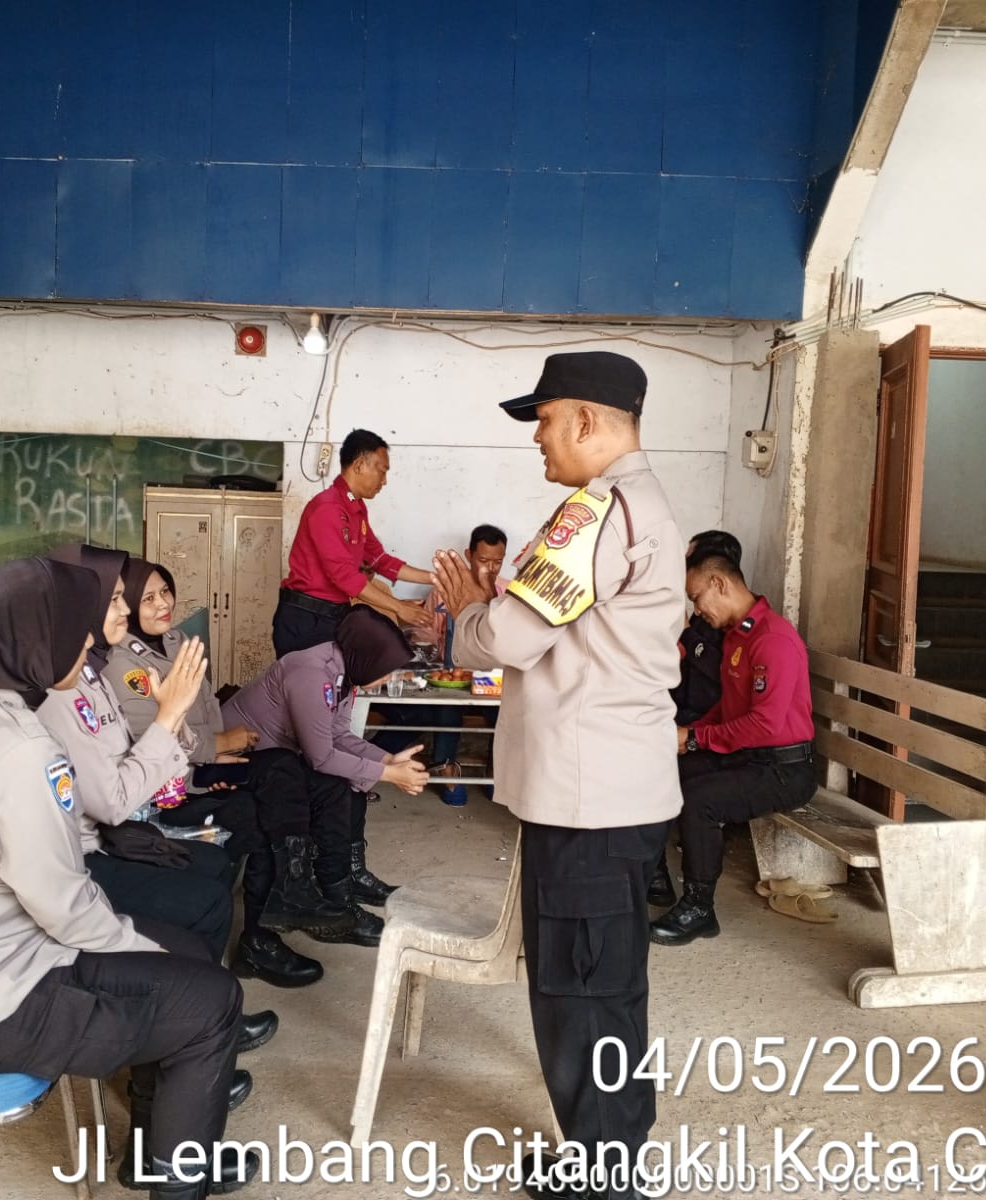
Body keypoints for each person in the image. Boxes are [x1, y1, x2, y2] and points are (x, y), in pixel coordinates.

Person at [0, 558, 256, 1199]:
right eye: (76, 630)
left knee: (185, 954)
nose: (90, 640)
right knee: (210, 1002)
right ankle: (178, 1178)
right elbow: (65, 905)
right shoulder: (20, 750)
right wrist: (140, 945)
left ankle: (162, 1148)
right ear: (33, 643)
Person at [433, 351, 684, 1200]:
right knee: (605, 983)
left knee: (580, 989)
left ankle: (603, 1172)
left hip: (588, 800)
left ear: (584, 419)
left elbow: (507, 638)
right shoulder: (639, 505)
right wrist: (499, 603)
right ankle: (607, 1149)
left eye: (544, 419)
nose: (538, 437)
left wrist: (470, 613)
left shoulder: (594, 511)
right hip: (610, 787)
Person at [107, 555, 330, 990]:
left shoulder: (176, 642)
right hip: (168, 785)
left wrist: (219, 748)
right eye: (147, 598)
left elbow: (208, 706)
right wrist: (215, 749)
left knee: (286, 776)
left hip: (203, 765)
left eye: (165, 592)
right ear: (127, 605)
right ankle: (274, 918)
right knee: (264, 795)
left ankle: (285, 900)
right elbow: (150, 734)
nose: (162, 604)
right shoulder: (122, 664)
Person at [36, 545, 243, 974]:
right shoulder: (65, 688)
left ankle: (205, 981)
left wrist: (178, 729)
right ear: (80, 606)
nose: (126, 611)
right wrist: (171, 719)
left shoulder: (90, 671)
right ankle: (198, 989)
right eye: (116, 600)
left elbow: (146, 750)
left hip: (119, 824)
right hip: (87, 852)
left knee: (217, 863)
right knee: (209, 900)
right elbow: (112, 802)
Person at [223, 607, 429, 947]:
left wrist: (386, 759)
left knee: (348, 786)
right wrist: (389, 774)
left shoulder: (344, 674)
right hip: (238, 762)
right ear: (367, 657)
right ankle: (332, 902)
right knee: (335, 784)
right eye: (385, 669)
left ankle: (341, 892)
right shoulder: (311, 674)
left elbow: (338, 736)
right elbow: (322, 757)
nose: (387, 678)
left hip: (278, 760)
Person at [649, 546, 816, 947]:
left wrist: (695, 739)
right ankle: (651, 875)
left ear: (719, 583)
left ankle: (699, 908)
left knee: (699, 800)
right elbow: (727, 709)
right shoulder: (738, 636)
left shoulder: (772, 638)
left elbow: (764, 724)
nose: (696, 610)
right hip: (750, 758)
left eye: (696, 598)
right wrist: (687, 735)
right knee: (665, 772)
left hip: (785, 770)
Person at [375, 524, 510, 806]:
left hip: (492, 680)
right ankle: (446, 767)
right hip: (450, 675)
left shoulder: (508, 593)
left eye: (497, 562)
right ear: (469, 555)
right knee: (447, 705)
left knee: (507, 711)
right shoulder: (444, 591)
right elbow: (424, 635)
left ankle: (496, 769)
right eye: (483, 560)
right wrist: (428, 642)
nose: (489, 569)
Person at [273, 428, 435, 657]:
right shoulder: (328, 508)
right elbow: (344, 576)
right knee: (312, 679)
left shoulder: (355, 508)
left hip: (332, 616)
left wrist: (436, 578)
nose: (384, 481)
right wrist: (399, 607)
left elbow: (380, 560)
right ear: (359, 465)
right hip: (307, 619)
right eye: (381, 471)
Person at [647, 529, 744, 906]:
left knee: (655, 769)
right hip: (683, 718)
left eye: (690, 560)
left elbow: (727, 695)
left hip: (707, 729)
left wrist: (689, 736)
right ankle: (649, 866)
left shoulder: (734, 627)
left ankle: (655, 870)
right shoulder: (704, 618)